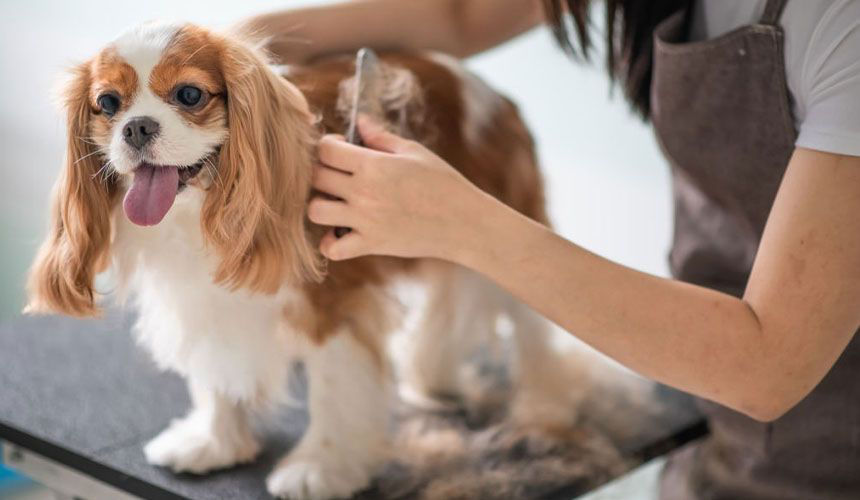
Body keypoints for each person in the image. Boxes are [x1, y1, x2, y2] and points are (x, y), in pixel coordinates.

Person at [243, 1, 860, 498]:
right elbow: (460, 14)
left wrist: (462, 223)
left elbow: (767, 365)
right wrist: (245, 45)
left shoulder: (843, 28)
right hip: (717, 445)